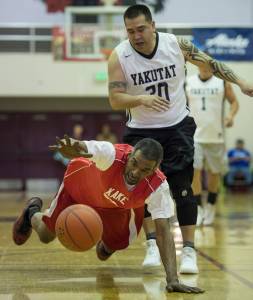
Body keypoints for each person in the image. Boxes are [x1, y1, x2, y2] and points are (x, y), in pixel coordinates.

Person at [107, 4, 253, 273]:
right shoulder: (119, 56)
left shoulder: (176, 45)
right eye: (130, 31)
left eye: (141, 29)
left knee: (183, 188)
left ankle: (188, 252)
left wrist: (242, 81)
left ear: (152, 25)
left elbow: (211, 64)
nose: (136, 35)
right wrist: (140, 98)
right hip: (140, 129)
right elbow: (115, 99)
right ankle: (151, 245)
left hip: (176, 127)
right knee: (142, 189)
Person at [12, 135, 204, 294]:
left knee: (107, 251)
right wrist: (74, 147)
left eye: (145, 170)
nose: (135, 172)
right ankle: (32, 213)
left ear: (155, 169)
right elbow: (86, 147)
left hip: (114, 206)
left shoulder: (158, 186)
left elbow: (163, 231)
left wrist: (172, 279)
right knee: (46, 235)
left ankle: (104, 237)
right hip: (79, 188)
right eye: (134, 163)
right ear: (130, 155)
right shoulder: (113, 154)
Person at [185, 66, 239, 226]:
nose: (204, 66)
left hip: (216, 136)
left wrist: (230, 116)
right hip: (195, 136)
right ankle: (199, 209)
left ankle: (211, 205)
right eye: (201, 63)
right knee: (195, 173)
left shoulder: (222, 83)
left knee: (214, 174)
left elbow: (234, 102)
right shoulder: (188, 82)